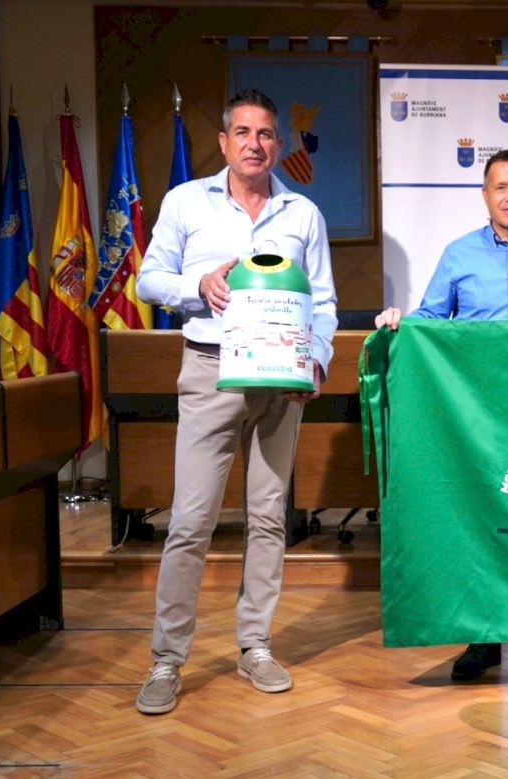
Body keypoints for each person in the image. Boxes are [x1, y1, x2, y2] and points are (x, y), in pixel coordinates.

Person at [134, 89, 338, 714]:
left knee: (269, 517)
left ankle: (255, 646)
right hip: (211, 369)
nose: (255, 143)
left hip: (282, 379)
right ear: (224, 142)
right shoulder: (186, 201)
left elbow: (324, 300)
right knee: (190, 521)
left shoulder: (303, 213)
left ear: (279, 144)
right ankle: (167, 659)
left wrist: (318, 357)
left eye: (266, 133)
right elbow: (147, 278)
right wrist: (197, 285)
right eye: (243, 132)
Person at [375, 148, 508, 680]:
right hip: (478, 417)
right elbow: (429, 321)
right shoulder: (458, 254)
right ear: (485, 195)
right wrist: (400, 320)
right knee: (483, 518)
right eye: (502, 187)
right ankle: (486, 636)